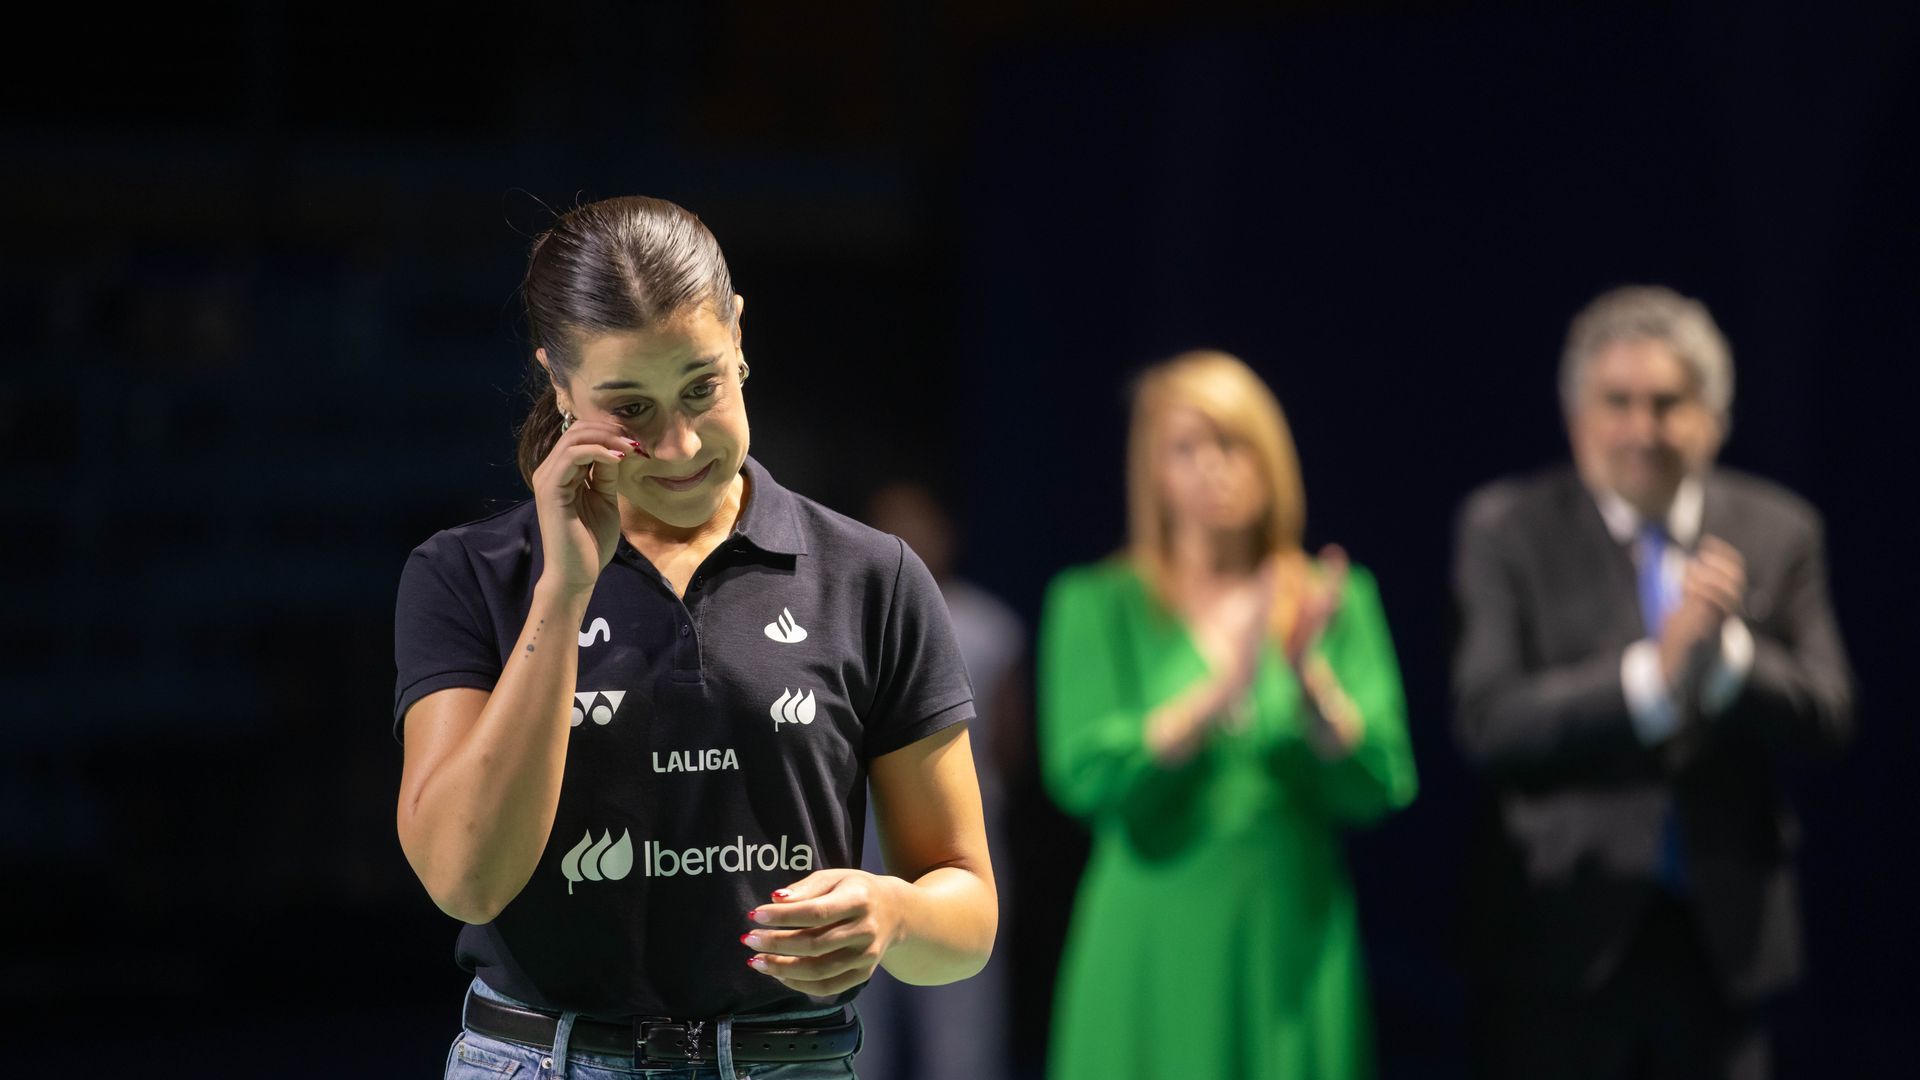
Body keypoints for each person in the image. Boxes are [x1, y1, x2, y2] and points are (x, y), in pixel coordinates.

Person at [391, 195, 996, 1080]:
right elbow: (465, 881)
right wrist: (565, 588)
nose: (676, 446)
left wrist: (895, 916)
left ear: (740, 337)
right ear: (559, 385)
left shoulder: (874, 577)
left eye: (701, 387)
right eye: (628, 408)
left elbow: (968, 912)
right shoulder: (466, 576)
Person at [1451, 285, 1855, 1079]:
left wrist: (1727, 658)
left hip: (1724, 945)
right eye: (1618, 403)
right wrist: (1656, 677)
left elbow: (1830, 714)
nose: (1643, 429)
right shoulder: (1506, 529)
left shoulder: (1781, 530)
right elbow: (1490, 721)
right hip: (1559, 936)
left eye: (1668, 403)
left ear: (1713, 416)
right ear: (1578, 419)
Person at [1037, 350, 1417, 1080]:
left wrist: (1309, 682)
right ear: (1153, 471)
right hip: (1149, 928)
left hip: (1290, 936)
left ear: (1270, 455)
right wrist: (1221, 690)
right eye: (1186, 448)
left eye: (1233, 442)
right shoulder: (1095, 603)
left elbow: (1383, 782)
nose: (1213, 466)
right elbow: (1083, 776)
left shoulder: (1336, 600)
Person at [854, 482, 1024, 1080]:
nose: (910, 542)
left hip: (962, 834)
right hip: (863, 838)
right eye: (892, 527)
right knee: (857, 1014)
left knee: (962, 1020)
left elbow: (1009, 739)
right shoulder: (851, 618)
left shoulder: (987, 626)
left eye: (921, 524)